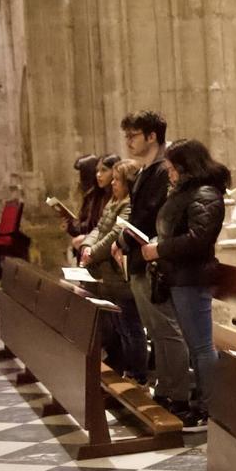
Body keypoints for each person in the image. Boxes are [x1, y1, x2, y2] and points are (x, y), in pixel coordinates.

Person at [140, 137, 229, 425]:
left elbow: (200, 239)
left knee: (202, 346)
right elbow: (177, 228)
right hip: (179, 276)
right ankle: (203, 402)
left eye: (172, 166)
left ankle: (211, 407)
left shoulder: (205, 194)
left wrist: (161, 249)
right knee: (195, 344)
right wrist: (159, 242)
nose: (169, 172)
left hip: (191, 278)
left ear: (185, 165)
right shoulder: (187, 191)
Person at [118, 108, 191, 413]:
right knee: (154, 330)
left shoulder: (163, 171)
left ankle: (179, 395)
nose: (128, 142)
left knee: (166, 330)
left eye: (133, 135)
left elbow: (153, 216)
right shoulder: (146, 170)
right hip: (139, 259)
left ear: (152, 136)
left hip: (154, 263)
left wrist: (124, 238)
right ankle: (165, 387)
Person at [80, 158, 148, 384]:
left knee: (131, 328)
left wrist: (92, 253)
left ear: (129, 183)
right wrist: (87, 246)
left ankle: (137, 374)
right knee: (120, 328)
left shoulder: (129, 205)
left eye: (118, 180)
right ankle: (127, 369)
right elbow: (98, 229)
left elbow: (114, 235)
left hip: (121, 278)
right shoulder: (112, 202)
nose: (113, 184)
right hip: (108, 278)